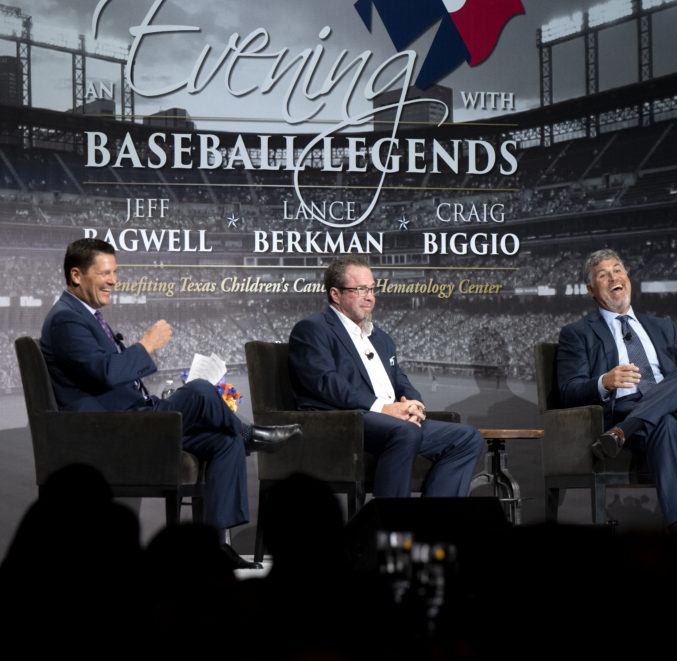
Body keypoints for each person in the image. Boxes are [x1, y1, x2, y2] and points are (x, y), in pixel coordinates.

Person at [40, 238, 301, 567]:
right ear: (76, 275)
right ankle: (251, 433)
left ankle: (214, 545)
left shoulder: (84, 316)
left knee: (224, 441)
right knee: (202, 389)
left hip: (133, 419)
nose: (113, 280)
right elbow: (105, 373)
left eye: (115, 272)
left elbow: (108, 379)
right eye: (104, 273)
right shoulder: (66, 319)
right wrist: (146, 345)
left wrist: (151, 398)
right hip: (111, 431)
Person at [288, 255, 484, 497]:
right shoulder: (313, 329)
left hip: (391, 419)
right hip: (345, 421)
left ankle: (435, 524)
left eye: (371, 289)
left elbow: (399, 380)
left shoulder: (380, 337)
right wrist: (384, 408)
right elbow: (325, 383)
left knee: (467, 438)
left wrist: (413, 405)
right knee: (405, 431)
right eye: (360, 289)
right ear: (335, 294)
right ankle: (389, 527)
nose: (370, 297)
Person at [557, 249, 677, 535]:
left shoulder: (663, 326)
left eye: (618, 270)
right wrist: (605, 381)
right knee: (662, 422)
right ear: (591, 289)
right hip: (625, 408)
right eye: (603, 275)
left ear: (627, 277)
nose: (614, 276)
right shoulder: (577, 333)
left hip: (672, 409)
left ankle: (622, 432)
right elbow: (568, 391)